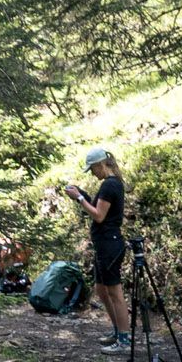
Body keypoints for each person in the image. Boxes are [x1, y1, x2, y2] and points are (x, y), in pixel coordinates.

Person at [63, 148, 129, 351]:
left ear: (100, 165)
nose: (92, 173)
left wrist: (79, 198)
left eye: (92, 169)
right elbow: (97, 208)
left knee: (114, 291)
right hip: (104, 244)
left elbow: (99, 216)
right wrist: (81, 194)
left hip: (110, 244)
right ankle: (117, 331)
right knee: (101, 289)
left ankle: (124, 340)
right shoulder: (109, 184)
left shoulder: (110, 185)